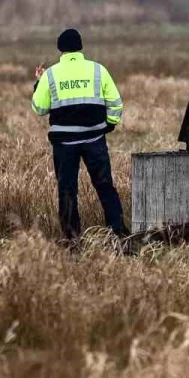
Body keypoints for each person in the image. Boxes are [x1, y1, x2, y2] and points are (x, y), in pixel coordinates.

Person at [31, 28, 129, 241]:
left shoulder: (51, 74)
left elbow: (39, 107)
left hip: (64, 143)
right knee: (105, 186)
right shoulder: (98, 70)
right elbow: (116, 103)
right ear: (81, 47)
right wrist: (108, 125)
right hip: (95, 139)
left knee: (67, 191)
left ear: (60, 49)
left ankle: (72, 239)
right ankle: (118, 233)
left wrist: (38, 83)